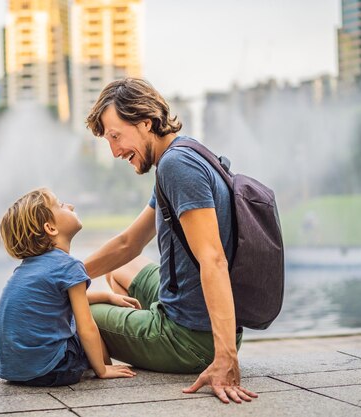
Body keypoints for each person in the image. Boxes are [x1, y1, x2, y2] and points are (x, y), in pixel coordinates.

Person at [83, 78, 259, 404]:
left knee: (83, 313)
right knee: (123, 268)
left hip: (192, 340)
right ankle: (146, 325)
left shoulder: (177, 167)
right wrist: (64, 274)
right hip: (195, 316)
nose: (115, 151)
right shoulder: (183, 152)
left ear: (145, 122)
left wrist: (226, 358)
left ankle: (157, 336)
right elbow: (129, 244)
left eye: (116, 136)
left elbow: (214, 259)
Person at [0, 187, 138, 387]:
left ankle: (100, 365)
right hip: (52, 370)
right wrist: (102, 370)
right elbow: (86, 326)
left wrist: (107, 296)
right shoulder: (68, 266)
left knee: (74, 318)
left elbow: (54, 302)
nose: (70, 205)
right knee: (91, 319)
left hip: (14, 371)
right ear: (50, 228)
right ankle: (106, 367)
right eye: (60, 205)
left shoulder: (27, 269)